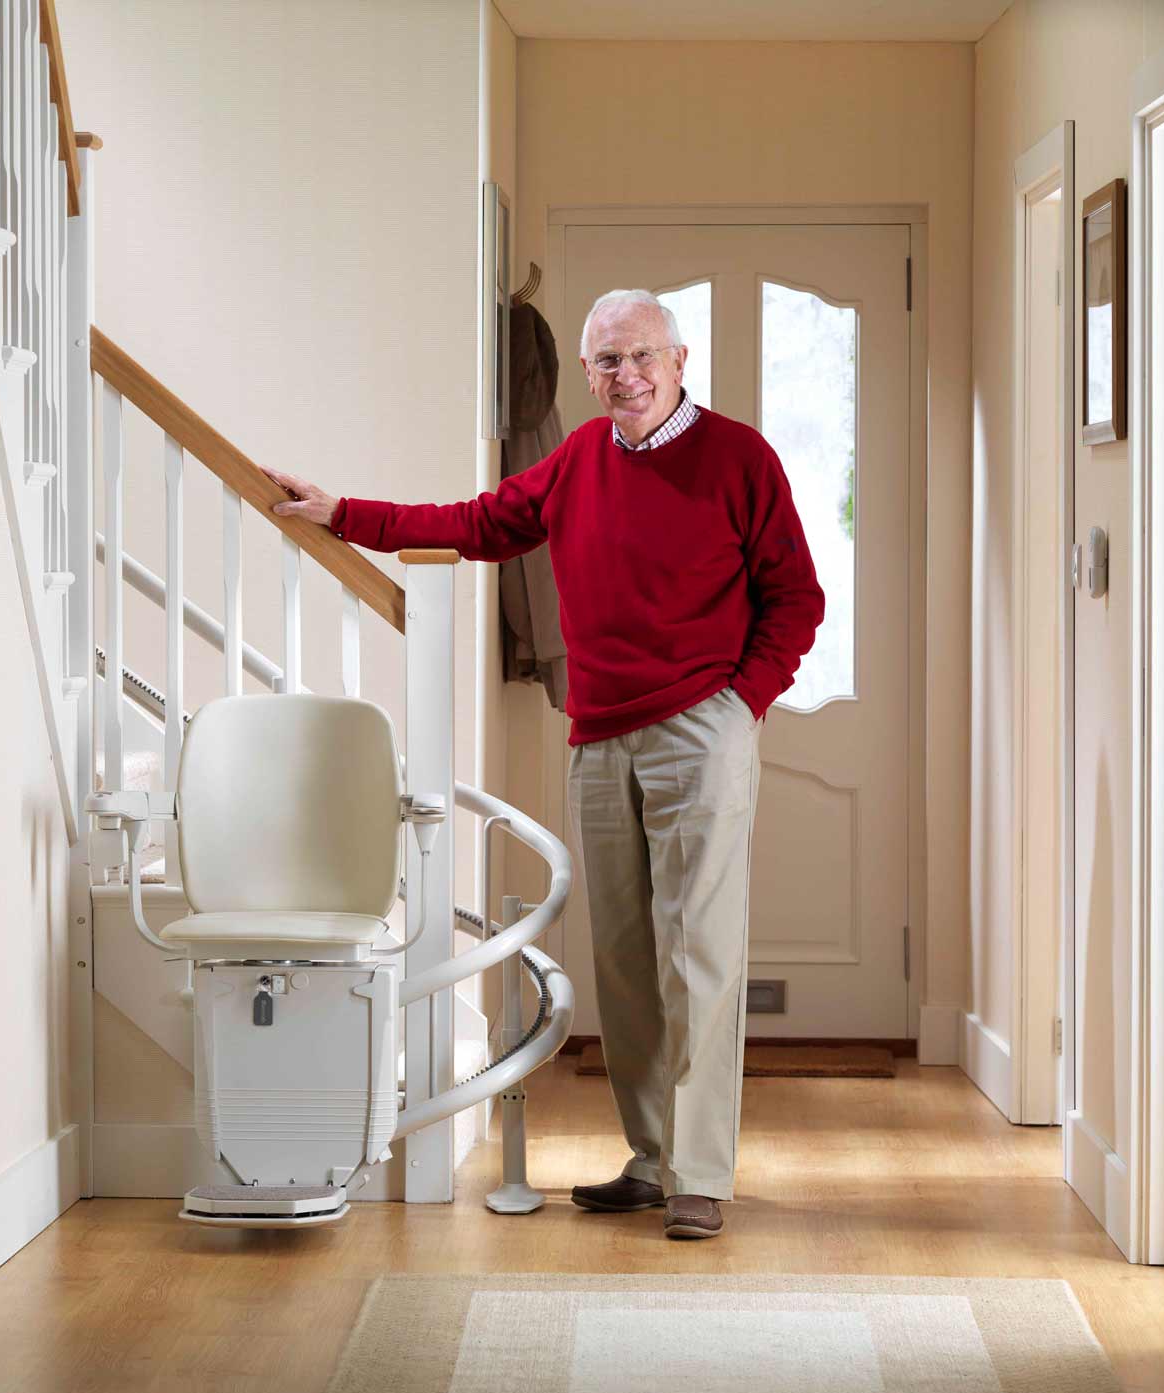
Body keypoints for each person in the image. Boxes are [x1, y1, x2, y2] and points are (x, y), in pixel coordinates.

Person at [263, 288, 825, 1239]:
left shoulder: (739, 458)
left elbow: (797, 598)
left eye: (643, 356)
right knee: (623, 958)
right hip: (600, 732)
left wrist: (742, 702)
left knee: (701, 953)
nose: (626, 377)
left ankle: (700, 1170)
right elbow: (477, 524)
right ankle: (651, 1157)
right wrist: (345, 514)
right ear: (589, 373)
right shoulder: (575, 461)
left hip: (703, 727)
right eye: (607, 362)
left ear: (680, 360)